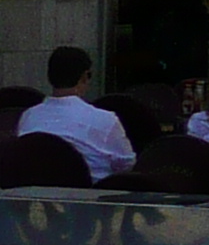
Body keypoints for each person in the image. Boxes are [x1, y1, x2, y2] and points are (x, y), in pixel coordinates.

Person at [18, 46, 134, 181]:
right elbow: (127, 165)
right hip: (90, 196)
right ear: (84, 77)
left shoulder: (28, 117)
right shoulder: (106, 120)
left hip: (37, 196)